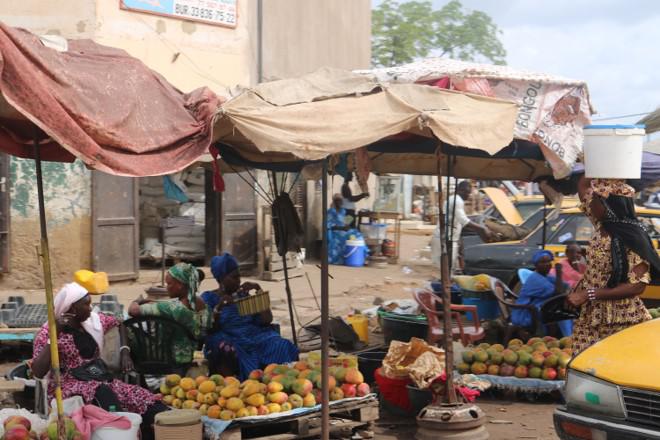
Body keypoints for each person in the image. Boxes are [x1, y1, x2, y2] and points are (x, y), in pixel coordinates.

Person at [31, 283, 167, 440]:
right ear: (73, 309)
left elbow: (119, 322)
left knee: (142, 397)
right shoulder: (48, 332)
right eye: (86, 304)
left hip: (100, 379)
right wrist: (54, 336)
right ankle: (120, 430)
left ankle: (152, 427)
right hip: (68, 386)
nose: (91, 308)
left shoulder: (93, 321)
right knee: (108, 400)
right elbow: (38, 371)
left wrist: (124, 351)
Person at [568, 178, 660, 354]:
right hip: (591, 314)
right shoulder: (602, 224)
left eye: (596, 200)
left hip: (620, 318)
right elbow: (582, 185)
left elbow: (636, 286)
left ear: (609, 207)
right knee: (583, 366)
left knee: (611, 369)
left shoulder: (634, 238)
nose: (590, 203)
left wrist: (589, 294)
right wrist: (597, 163)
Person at [201, 253, 299, 379]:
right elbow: (208, 328)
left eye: (239, 276)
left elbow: (266, 320)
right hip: (229, 336)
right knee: (227, 349)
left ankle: (278, 379)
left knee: (280, 344)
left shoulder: (243, 296)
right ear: (221, 278)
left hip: (252, 336)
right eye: (234, 277)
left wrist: (259, 291)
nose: (239, 281)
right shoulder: (209, 298)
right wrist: (219, 308)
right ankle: (243, 381)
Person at [128, 263, 211, 364]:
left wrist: (137, 301)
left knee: (126, 330)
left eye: (169, 284)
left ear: (180, 285)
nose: (167, 288)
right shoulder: (205, 307)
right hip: (189, 356)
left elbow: (133, 311)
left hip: (164, 357)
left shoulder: (170, 309)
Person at [511, 250, 572, 336]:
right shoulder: (536, 279)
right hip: (527, 313)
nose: (547, 264)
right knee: (562, 311)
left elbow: (565, 286)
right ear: (536, 265)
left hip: (538, 307)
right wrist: (559, 273)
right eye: (543, 262)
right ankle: (568, 337)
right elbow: (558, 293)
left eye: (548, 261)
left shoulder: (545, 276)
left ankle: (567, 336)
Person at [446, 181, 494, 273]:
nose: (469, 196)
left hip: (454, 231)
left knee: (460, 252)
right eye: (467, 193)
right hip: (450, 233)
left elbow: (461, 219)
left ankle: (462, 271)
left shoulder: (454, 199)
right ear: (460, 190)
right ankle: (449, 278)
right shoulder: (457, 201)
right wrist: (482, 228)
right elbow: (464, 220)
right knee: (450, 258)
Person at [327, 193, 365, 265]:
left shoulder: (343, 211)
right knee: (346, 237)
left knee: (357, 234)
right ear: (334, 201)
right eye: (337, 200)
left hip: (343, 229)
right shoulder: (331, 212)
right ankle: (341, 258)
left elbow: (344, 222)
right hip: (335, 231)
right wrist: (341, 228)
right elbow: (328, 225)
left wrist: (347, 225)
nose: (339, 202)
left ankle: (361, 254)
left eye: (340, 200)